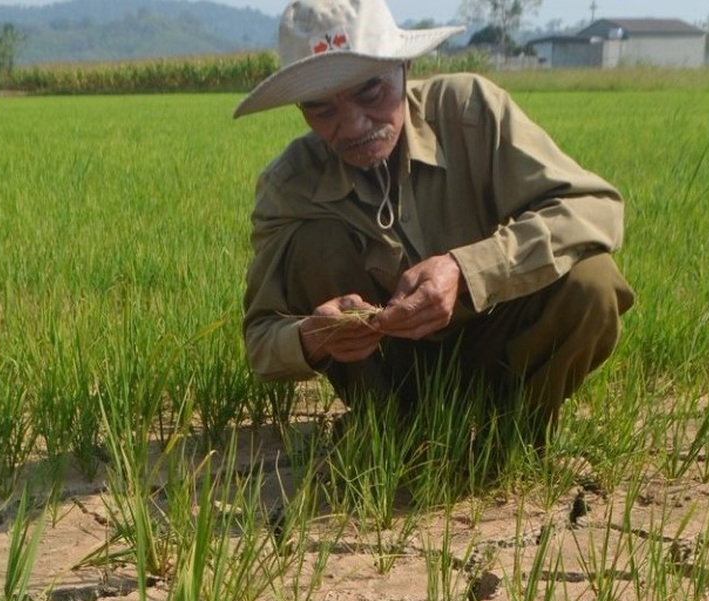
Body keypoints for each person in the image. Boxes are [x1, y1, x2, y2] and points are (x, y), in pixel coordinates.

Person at [234, 0, 635, 443]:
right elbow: (261, 340)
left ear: (404, 67)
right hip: (387, 366)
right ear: (300, 109)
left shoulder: (471, 112)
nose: (353, 126)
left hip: (497, 342)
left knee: (591, 280)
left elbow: (594, 206)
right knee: (314, 241)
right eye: (321, 109)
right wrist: (312, 337)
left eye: (370, 92)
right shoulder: (290, 184)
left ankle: (512, 439)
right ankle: (390, 431)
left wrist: (466, 270)